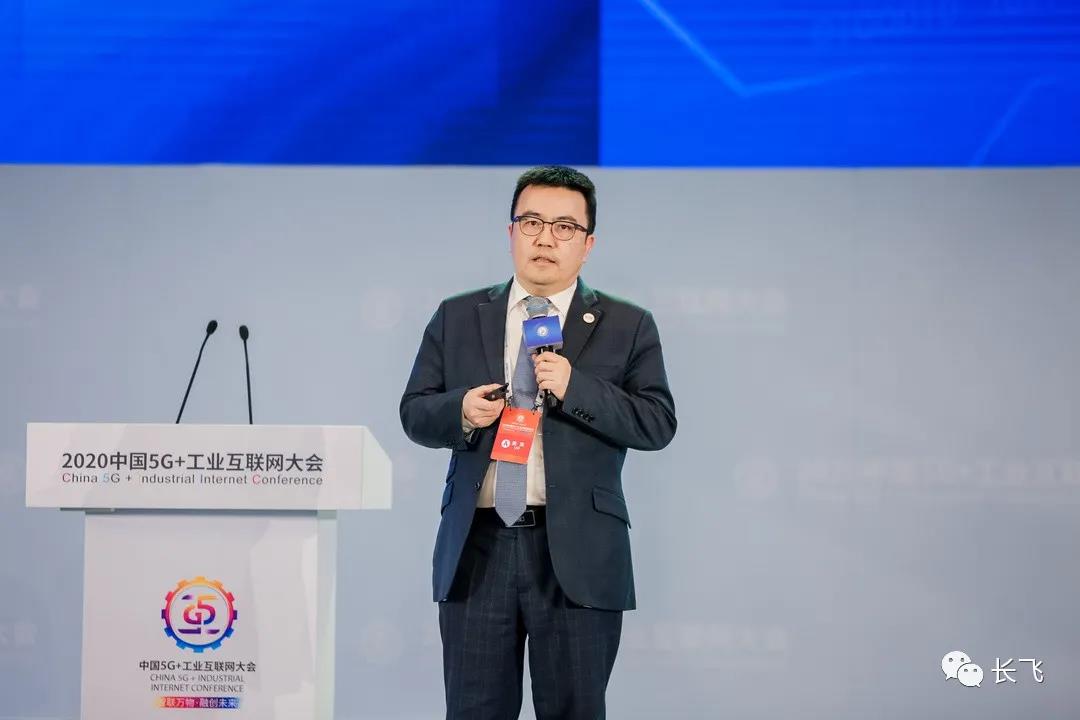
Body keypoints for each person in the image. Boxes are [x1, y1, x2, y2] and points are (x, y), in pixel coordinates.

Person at [400, 165, 676, 720]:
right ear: (511, 233)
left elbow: (656, 422)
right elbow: (414, 412)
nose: (545, 238)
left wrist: (576, 387)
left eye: (564, 227)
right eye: (531, 222)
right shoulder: (458, 315)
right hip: (478, 548)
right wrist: (462, 412)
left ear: (588, 244)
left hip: (577, 553)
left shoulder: (628, 324)